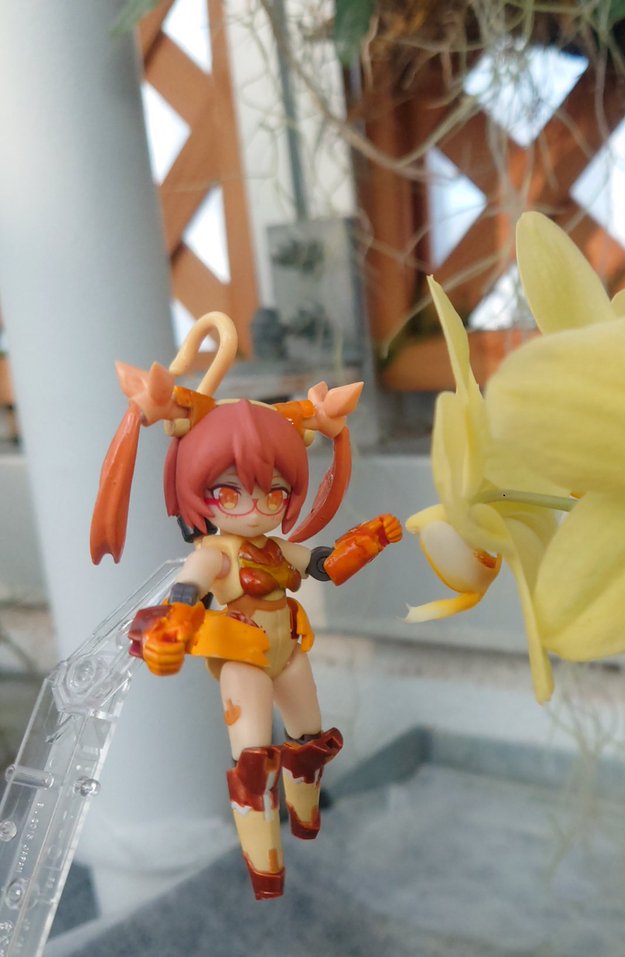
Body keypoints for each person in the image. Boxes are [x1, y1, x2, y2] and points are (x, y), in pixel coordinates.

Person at [90, 311, 401, 899]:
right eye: (230, 493)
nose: (257, 507)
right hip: (243, 656)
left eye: (274, 493)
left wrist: (366, 542)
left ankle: (306, 818)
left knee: (308, 737)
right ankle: (266, 867)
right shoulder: (217, 554)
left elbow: (324, 566)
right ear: (200, 494)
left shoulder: (277, 548)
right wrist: (175, 625)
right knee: (255, 759)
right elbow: (188, 587)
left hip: (288, 650)